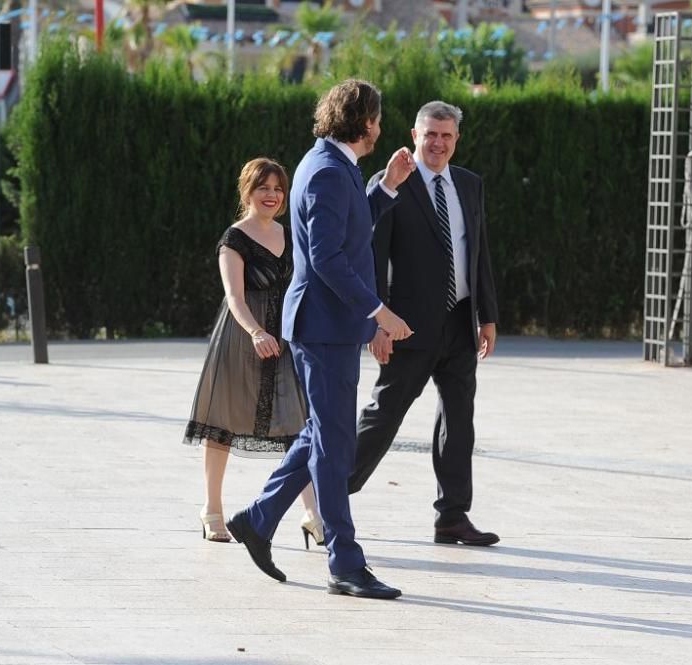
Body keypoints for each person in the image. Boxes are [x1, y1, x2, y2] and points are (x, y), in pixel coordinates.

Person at [226, 79, 416, 600]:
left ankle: (258, 518)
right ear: (364, 121)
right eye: (377, 116)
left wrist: (388, 186)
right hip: (324, 328)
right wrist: (380, 312)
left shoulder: (335, 166)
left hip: (328, 327)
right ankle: (345, 564)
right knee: (335, 447)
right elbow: (329, 259)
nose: (380, 124)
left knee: (321, 435)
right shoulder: (329, 172)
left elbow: (350, 233)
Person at [349, 101, 501, 547]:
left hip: (459, 323)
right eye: (430, 134)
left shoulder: (469, 185)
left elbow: (479, 252)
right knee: (383, 416)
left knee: (459, 419)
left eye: (446, 136)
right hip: (406, 327)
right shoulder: (392, 183)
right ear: (414, 135)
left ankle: (452, 516)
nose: (437, 143)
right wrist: (376, 324)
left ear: (457, 140)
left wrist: (487, 315)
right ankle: (329, 499)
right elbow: (372, 257)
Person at [183, 158, 322, 549]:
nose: (272, 195)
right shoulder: (234, 238)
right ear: (248, 191)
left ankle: (312, 514)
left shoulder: (290, 232)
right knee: (221, 423)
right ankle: (211, 510)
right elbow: (234, 297)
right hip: (242, 337)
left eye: (278, 189)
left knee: (299, 425)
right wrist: (256, 332)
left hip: (287, 338)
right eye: (264, 187)